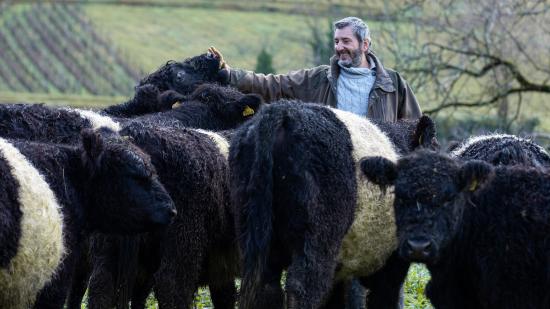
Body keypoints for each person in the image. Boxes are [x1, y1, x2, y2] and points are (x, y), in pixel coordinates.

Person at [208, 16, 421, 123]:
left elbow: (416, 129)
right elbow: (274, 85)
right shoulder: (319, 78)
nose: (339, 48)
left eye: (346, 41)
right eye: (336, 41)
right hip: (332, 173)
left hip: (381, 176)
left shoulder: (393, 83)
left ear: (364, 45)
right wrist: (230, 74)